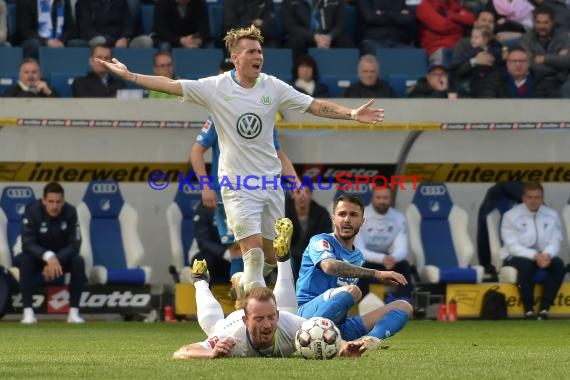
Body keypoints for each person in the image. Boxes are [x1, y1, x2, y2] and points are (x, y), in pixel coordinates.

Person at [97, 24, 385, 299]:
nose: (258, 56)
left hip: (270, 184)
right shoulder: (216, 88)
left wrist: (351, 114)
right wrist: (132, 76)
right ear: (236, 58)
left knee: (272, 257)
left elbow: (314, 105)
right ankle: (255, 328)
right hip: (236, 184)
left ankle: (244, 283)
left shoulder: (272, 87)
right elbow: (171, 84)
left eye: (260, 51)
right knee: (254, 253)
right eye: (251, 52)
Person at [172, 218, 401, 359]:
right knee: (212, 326)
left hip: (283, 312)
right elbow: (182, 351)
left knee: (288, 311)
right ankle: (201, 281)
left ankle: (283, 259)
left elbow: (319, 329)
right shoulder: (231, 338)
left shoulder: (288, 324)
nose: (267, 324)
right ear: (246, 321)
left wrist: (344, 347)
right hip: (228, 323)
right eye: (259, 319)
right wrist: (210, 353)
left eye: (271, 317)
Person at [296, 194, 412, 345]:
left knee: (404, 306)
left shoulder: (358, 257)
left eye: (353, 215)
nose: (347, 220)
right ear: (334, 219)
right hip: (308, 317)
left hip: (339, 325)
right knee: (353, 290)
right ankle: (311, 335)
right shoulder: (321, 241)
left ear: (362, 221)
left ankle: (366, 342)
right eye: (342, 214)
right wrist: (376, 273)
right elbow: (329, 266)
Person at [13, 182, 85, 324]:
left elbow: (75, 244)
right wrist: (48, 257)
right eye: (51, 201)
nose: (54, 206)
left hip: (59, 260)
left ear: (63, 201)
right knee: (25, 259)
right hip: (35, 257)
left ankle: (73, 313)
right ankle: (28, 313)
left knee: (78, 261)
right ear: (44, 200)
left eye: (58, 202)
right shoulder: (31, 210)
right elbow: (27, 243)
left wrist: (55, 259)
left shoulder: (70, 212)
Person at [500, 181, 566, 320]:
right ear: (523, 198)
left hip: (543, 255)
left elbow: (555, 240)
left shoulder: (551, 215)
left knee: (558, 265)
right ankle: (528, 309)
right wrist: (535, 255)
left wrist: (547, 254)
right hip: (516, 256)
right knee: (526, 265)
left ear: (542, 198)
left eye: (537, 197)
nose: (533, 201)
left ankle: (544, 309)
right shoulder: (510, 216)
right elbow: (512, 246)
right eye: (530, 197)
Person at [354, 188, 413, 302]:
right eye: (378, 197)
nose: (382, 201)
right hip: (366, 260)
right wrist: (382, 259)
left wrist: (393, 258)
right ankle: (364, 304)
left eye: (385, 198)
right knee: (359, 265)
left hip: (389, 261)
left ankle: (403, 303)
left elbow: (402, 248)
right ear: (372, 198)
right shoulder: (360, 215)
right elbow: (358, 249)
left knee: (404, 265)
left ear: (391, 200)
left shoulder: (399, 218)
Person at [517, 6, 570, 98]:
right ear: (534, 23)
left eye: (546, 23)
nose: (542, 26)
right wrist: (558, 62)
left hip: (561, 82)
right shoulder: (525, 40)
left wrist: (545, 59)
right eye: (538, 22)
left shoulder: (564, 38)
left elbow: (568, 60)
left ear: (552, 22)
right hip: (536, 82)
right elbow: (529, 65)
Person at [451, 10, 505, 95]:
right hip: (468, 85)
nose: (487, 24)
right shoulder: (464, 44)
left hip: (494, 86)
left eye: (490, 22)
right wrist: (475, 61)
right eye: (483, 20)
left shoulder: (497, 45)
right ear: (475, 23)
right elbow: (456, 70)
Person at [285, 186, 331, 283]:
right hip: (291, 254)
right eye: (298, 192)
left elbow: (326, 238)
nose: (302, 196)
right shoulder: (283, 212)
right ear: (292, 194)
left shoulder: (321, 213)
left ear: (311, 194)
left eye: (306, 192)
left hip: (313, 254)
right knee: (288, 262)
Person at [281, 0, 355, 61]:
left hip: (328, 37)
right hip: (304, 36)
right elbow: (290, 27)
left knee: (345, 42)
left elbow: (340, 25)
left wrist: (328, 37)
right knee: (296, 42)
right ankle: (297, 77)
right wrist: (314, 37)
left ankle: (344, 76)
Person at [14, 0, 87, 59]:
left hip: (59, 41)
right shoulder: (26, 2)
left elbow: (70, 28)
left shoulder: (63, 1)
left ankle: (76, 76)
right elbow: (24, 30)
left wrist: (60, 40)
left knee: (79, 44)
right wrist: (46, 42)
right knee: (34, 44)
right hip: (36, 41)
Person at [475, 46, 555, 97]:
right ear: (507, 63)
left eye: (522, 61)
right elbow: (487, 102)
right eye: (513, 61)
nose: (518, 64)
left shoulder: (540, 79)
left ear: (528, 63)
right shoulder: (494, 80)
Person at [76, 0, 153, 48]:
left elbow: (128, 23)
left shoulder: (121, 1)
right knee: (100, 41)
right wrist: (109, 41)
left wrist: (125, 37)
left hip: (120, 41)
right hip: (97, 39)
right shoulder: (84, 2)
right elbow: (85, 27)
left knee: (146, 41)